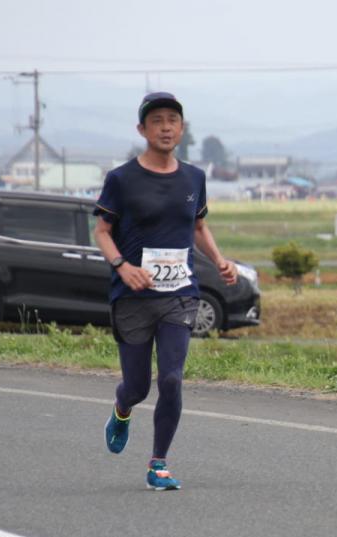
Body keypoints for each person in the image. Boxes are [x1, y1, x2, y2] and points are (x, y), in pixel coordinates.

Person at [94, 92, 238, 491]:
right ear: (142, 129)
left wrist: (220, 260)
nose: (165, 127)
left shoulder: (194, 178)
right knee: (138, 387)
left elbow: (198, 226)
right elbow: (102, 231)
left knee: (172, 379)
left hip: (180, 293)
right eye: (156, 121)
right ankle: (122, 409)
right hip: (133, 297)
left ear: (182, 128)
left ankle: (158, 463)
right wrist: (122, 267)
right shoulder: (121, 179)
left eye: (172, 120)